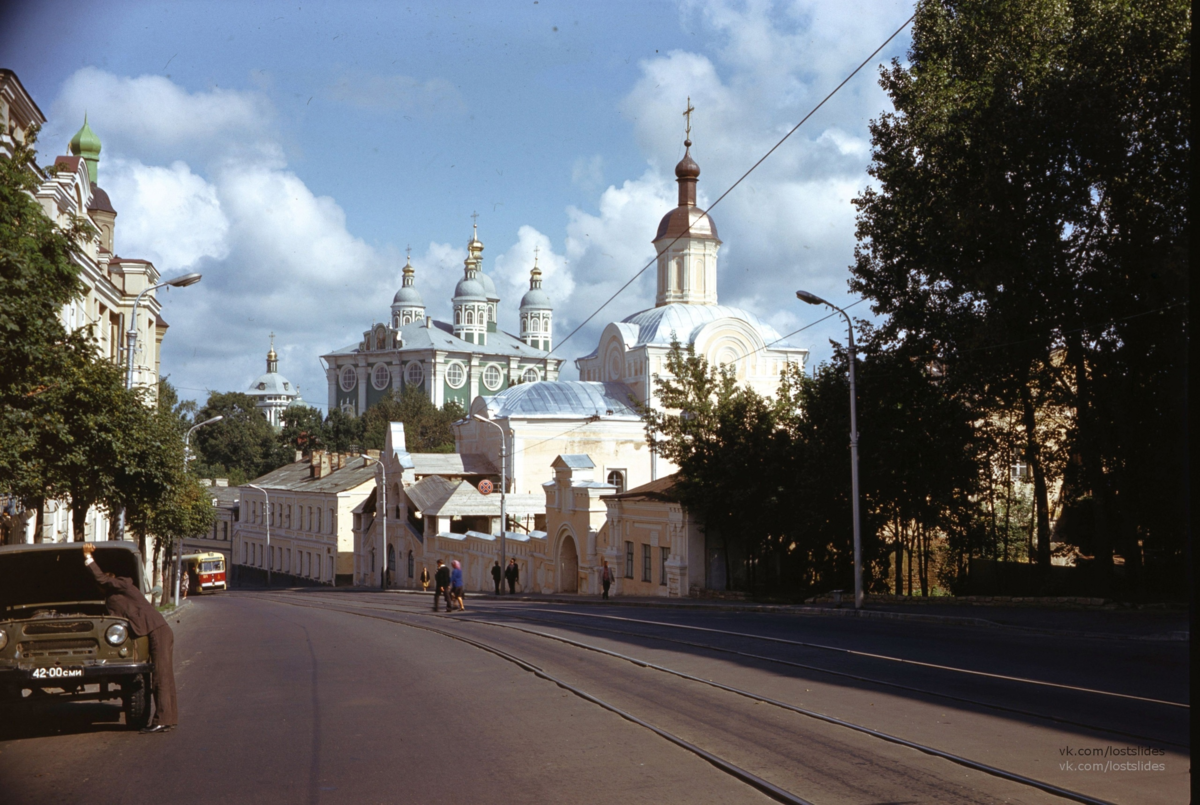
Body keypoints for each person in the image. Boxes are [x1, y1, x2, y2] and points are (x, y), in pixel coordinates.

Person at [82, 543, 177, 734]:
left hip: (157, 630)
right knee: (162, 676)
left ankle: (162, 720)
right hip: (152, 630)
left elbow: (101, 579)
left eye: (101, 585)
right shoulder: (112, 598)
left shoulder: (123, 583)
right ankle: (167, 719)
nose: (98, 588)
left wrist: (88, 557)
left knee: (161, 677)